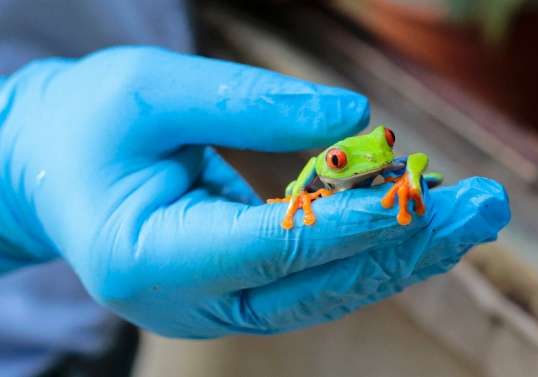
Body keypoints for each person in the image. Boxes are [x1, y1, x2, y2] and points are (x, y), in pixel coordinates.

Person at [0, 1, 510, 376]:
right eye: (334, 158)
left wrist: (408, 179)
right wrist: (12, 172)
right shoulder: (322, 170)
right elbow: (307, 179)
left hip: (92, 335)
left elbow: (405, 161)